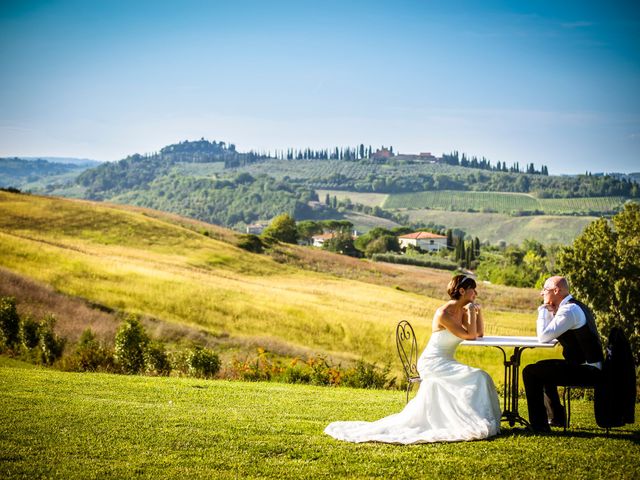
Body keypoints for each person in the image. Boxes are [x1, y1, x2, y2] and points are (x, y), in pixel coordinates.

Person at [324, 274, 501, 444]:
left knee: (479, 377)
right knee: (480, 376)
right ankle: (474, 420)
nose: (476, 293)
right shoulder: (444, 313)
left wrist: (478, 312)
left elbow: (478, 334)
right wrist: (471, 312)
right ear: (462, 291)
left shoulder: (462, 310)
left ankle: (470, 418)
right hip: (433, 363)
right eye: (473, 289)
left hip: (446, 361)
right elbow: (470, 336)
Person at [522, 276, 603, 432]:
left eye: (545, 290)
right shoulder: (572, 307)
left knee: (530, 372)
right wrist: (551, 312)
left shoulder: (569, 310)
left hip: (587, 370)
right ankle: (556, 419)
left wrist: (543, 310)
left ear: (556, 290)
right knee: (541, 367)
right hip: (587, 366)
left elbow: (543, 337)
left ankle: (539, 426)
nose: (541, 293)